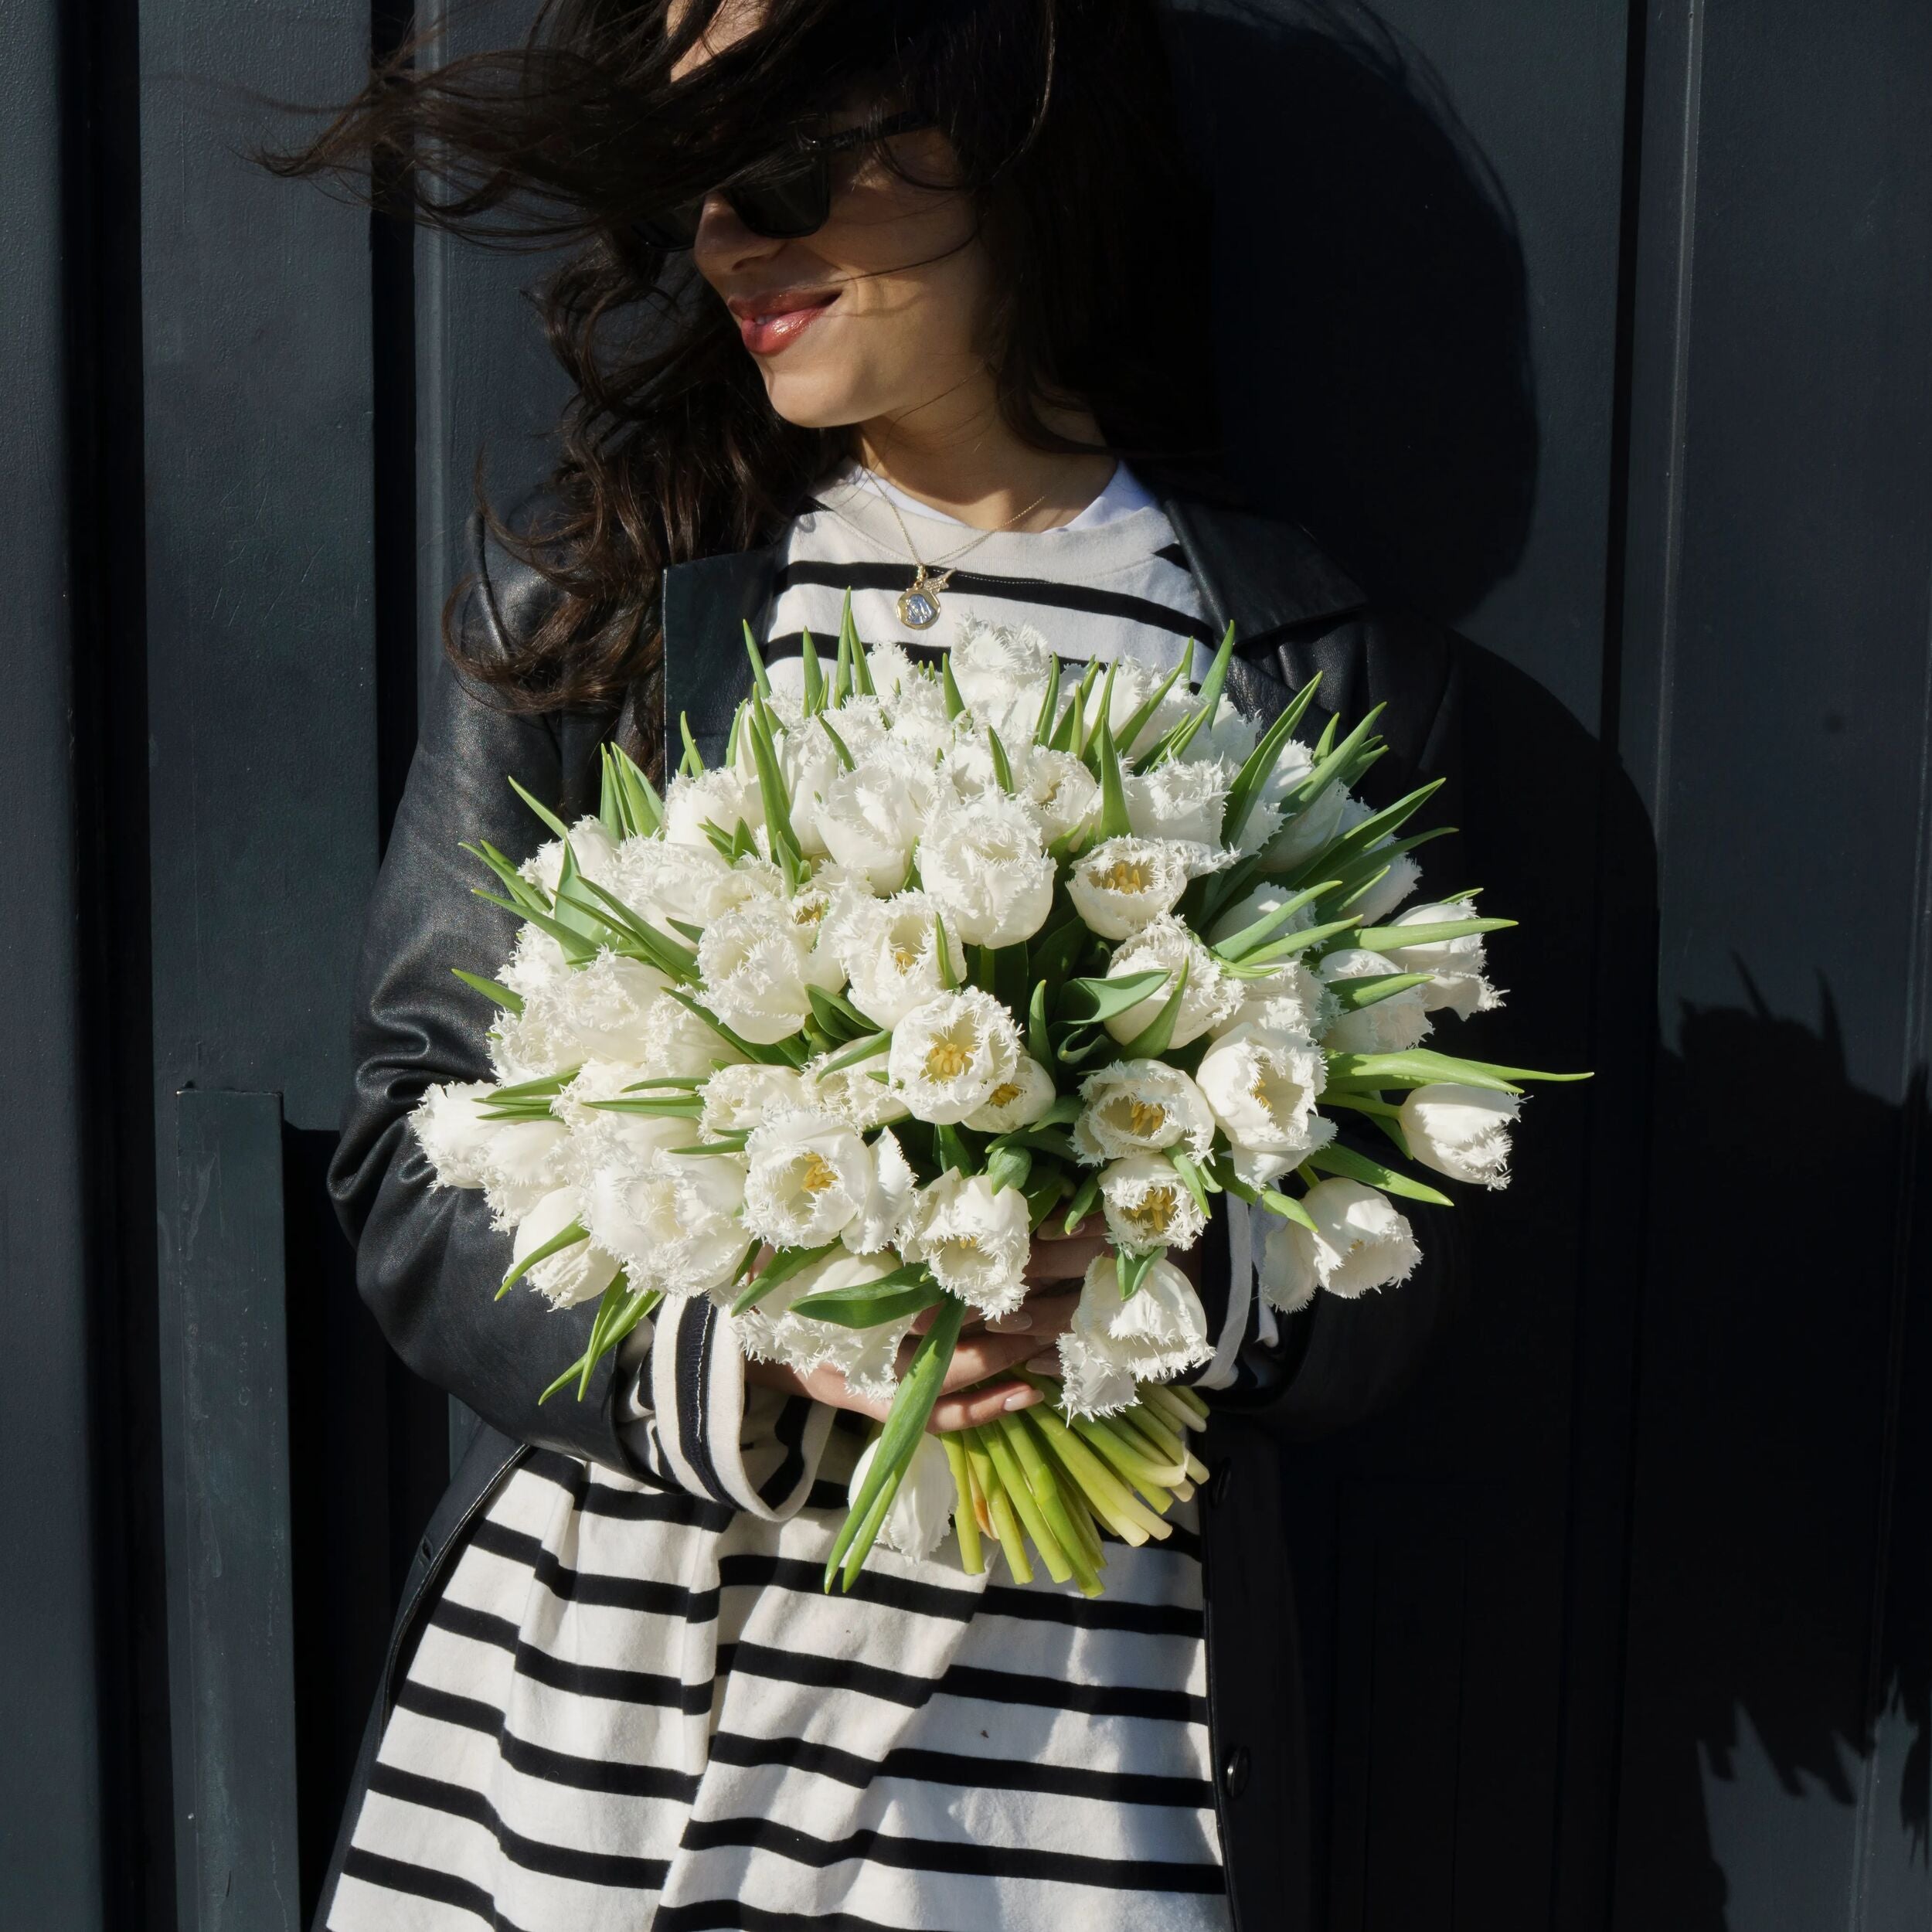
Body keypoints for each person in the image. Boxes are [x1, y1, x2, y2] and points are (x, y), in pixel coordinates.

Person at [282, 2, 1470, 1926]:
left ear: (1011, 142)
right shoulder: (599, 602)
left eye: (779, 165)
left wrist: (1144, 1268)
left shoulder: (1292, 662)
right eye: (695, 186)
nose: (727, 240)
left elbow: (1407, 1250)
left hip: (1046, 1773)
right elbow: (410, 1144)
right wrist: (744, 1357)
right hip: (610, 1718)